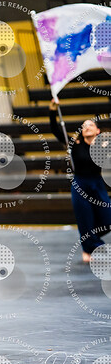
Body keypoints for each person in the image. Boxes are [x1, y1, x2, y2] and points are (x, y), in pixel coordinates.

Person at [50, 100, 111, 262]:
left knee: (108, 217)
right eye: (84, 126)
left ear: (97, 130)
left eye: (90, 125)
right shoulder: (75, 144)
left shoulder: (104, 145)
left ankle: (91, 241)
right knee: (85, 219)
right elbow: (55, 130)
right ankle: (89, 248)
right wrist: (52, 110)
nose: (87, 127)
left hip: (97, 183)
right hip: (80, 184)